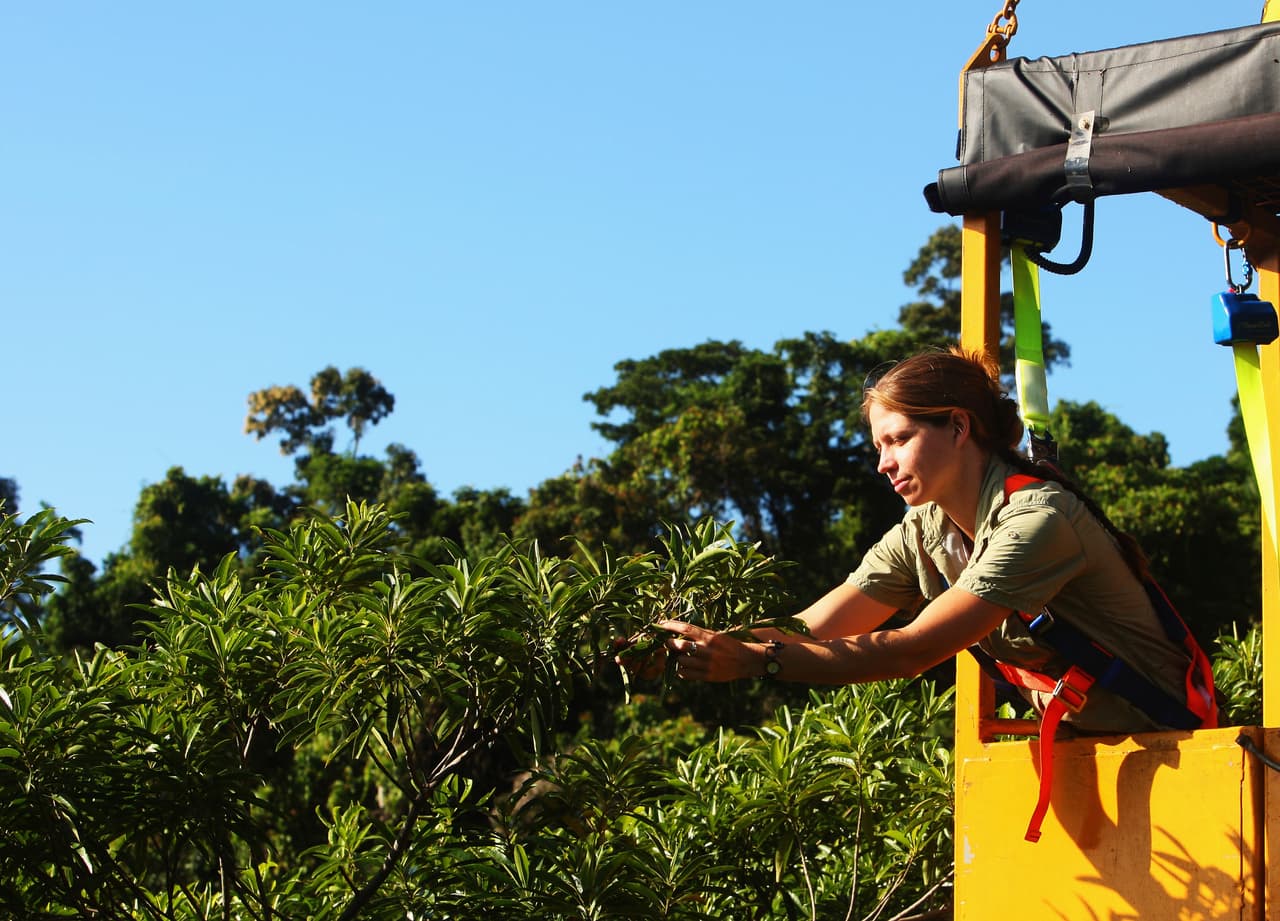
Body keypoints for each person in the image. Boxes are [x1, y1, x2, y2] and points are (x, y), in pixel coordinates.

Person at [647, 346, 1214, 736]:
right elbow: (812, 628)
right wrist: (698, 645)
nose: (883, 464)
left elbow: (915, 648)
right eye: (878, 447)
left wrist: (756, 663)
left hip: (1173, 748)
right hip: (1089, 754)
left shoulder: (1038, 522)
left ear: (960, 428)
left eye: (899, 440)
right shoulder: (924, 529)